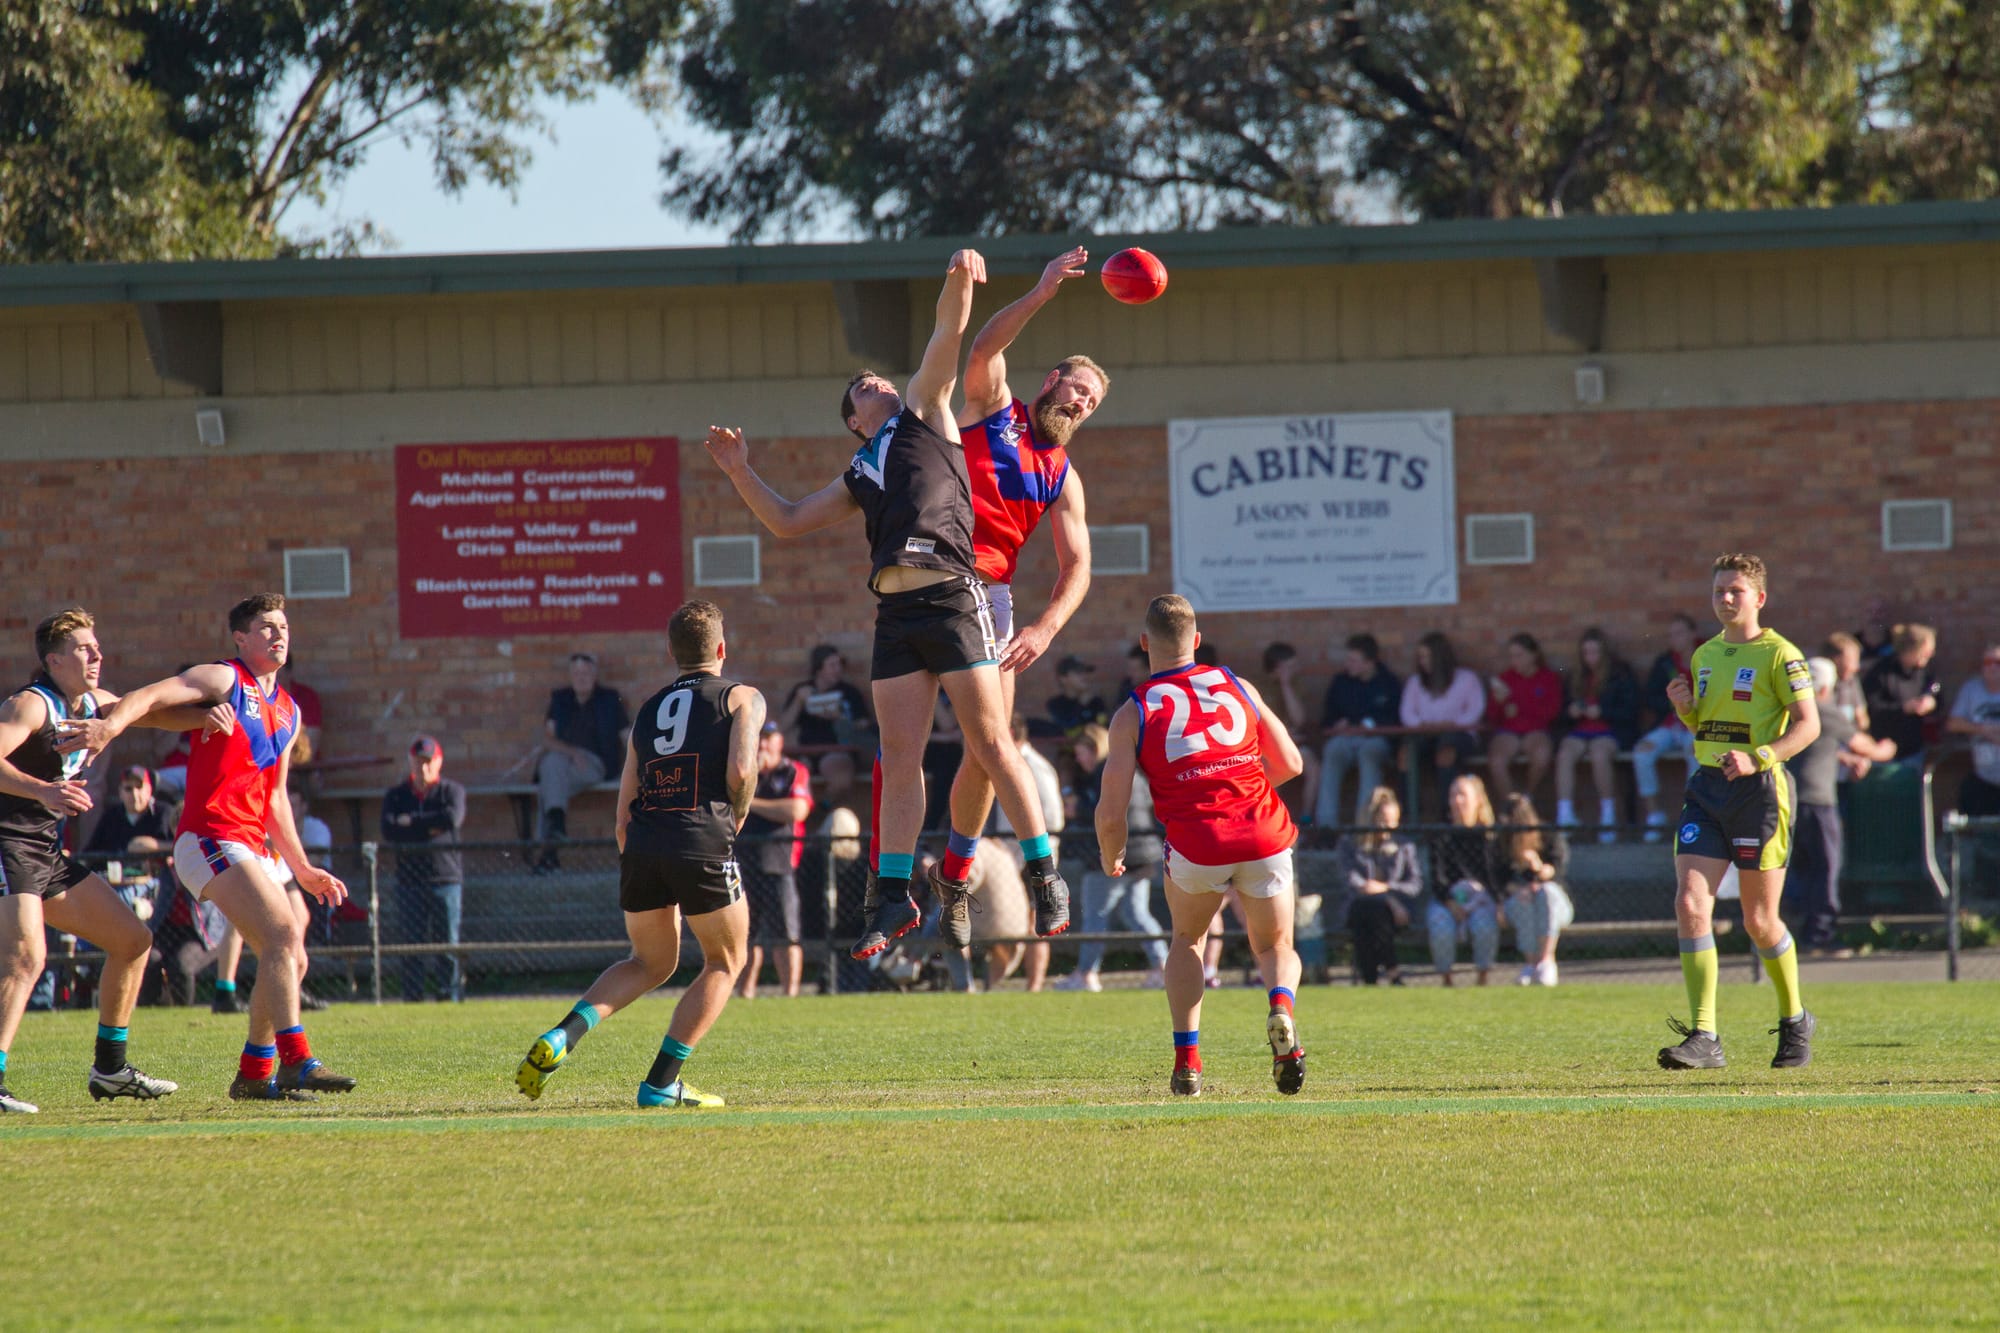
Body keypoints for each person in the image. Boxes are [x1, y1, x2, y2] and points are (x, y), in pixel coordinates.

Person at [704, 247, 1071, 962]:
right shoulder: (860, 466)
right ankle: (895, 894)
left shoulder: (925, 410)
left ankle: (1042, 871)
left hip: (951, 593)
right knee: (899, 756)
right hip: (896, 615)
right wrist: (741, 471)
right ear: (853, 418)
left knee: (991, 743)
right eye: (865, 385)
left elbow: (948, 335)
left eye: (878, 377)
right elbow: (786, 519)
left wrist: (958, 277)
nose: (878, 382)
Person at [62, 593, 354, 1102]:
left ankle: (254, 1074)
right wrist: (109, 727)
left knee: (288, 957)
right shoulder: (225, 679)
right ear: (241, 638)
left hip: (249, 842)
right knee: (283, 934)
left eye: (282, 626)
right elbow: (151, 696)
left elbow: (277, 798)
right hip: (209, 837)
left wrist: (303, 866)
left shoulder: (290, 711)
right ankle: (297, 1059)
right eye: (266, 627)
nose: (278, 634)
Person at [516, 600, 763, 1109]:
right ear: (721, 648)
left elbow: (622, 809)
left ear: (671, 651)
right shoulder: (742, 697)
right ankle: (659, 1084)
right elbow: (741, 770)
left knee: (649, 961)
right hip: (701, 836)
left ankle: (563, 1035)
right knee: (725, 959)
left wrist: (641, 853)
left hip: (645, 841)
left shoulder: (649, 708)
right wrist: (735, 819)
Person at [0, 611, 222, 1112]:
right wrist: (44, 790)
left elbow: (153, 714)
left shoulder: (96, 703)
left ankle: (111, 1070)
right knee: (26, 958)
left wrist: (207, 717)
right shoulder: (31, 706)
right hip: (6, 842)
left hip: (45, 852)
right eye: (83, 649)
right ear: (54, 660)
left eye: (97, 646)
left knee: (133, 941)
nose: (97, 656)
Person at [1095, 594, 1305, 1098]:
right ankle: (1280, 1006)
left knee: (1188, 941)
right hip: (1263, 831)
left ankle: (1188, 1060)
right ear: (1197, 640)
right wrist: (1242, 796)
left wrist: (1111, 853)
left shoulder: (1133, 711)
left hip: (1197, 843)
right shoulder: (1237, 685)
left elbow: (1111, 808)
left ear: (1145, 644)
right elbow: (1292, 763)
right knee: (1275, 946)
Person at [1657, 553, 1821, 1072]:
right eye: (1718, 592)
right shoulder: (1705, 655)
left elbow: (1808, 726)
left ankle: (1795, 1017)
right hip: (1707, 788)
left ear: (1759, 598)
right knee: (1689, 902)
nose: (1725, 599)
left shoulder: (1781, 655)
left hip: (1760, 792)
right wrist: (1686, 710)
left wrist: (1760, 756)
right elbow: (1705, 729)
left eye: (1735, 591)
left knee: (1758, 919)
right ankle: (1705, 1035)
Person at [1787, 658, 1898, 956]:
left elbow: (1816, 747)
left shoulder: (1788, 710)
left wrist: (1844, 759)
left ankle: (1795, 935)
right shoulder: (1824, 709)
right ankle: (1820, 937)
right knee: (1826, 868)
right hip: (1818, 802)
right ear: (1825, 687)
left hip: (1788, 802)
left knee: (1800, 870)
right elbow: (1863, 745)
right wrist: (1886, 750)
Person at [1056, 731, 1168, 993]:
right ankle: (1163, 966)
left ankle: (1086, 974)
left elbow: (1105, 813)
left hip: (1114, 854)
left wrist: (1075, 810)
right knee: (1135, 913)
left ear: (1097, 748)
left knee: (1096, 915)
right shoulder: (1131, 769)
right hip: (1143, 853)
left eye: (1083, 752)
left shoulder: (1104, 773)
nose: (1080, 758)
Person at [381, 734, 467, 1003]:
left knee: (447, 945)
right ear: (410, 763)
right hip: (409, 881)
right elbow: (390, 830)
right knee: (412, 944)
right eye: (418, 762)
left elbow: (452, 819)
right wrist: (429, 825)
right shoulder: (396, 795)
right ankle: (413, 997)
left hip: (445, 879)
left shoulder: (451, 791)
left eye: (429, 762)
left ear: (439, 762)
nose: (424, 768)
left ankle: (448, 995)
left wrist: (412, 822)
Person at [533, 652, 630, 871]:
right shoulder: (560, 699)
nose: (581, 677)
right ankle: (552, 844)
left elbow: (626, 736)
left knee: (549, 777)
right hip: (564, 762)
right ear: (570, 675)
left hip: (594, 765)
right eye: (576, 673)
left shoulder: (609, 699)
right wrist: (572, 753)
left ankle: (549, 853)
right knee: (550, 778)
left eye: (585, 672)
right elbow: (547, 739)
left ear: (594, 674)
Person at [739, 722, 812, 999]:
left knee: (786, 934)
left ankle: (790, 994)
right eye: (758, 739)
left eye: (769, 739)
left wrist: (751, 804)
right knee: (746, 936)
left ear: (780, 741)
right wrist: (752, 778)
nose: (763, 745)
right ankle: (745, 993)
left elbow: (796, 809)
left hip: (779, 862)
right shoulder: (744, 772)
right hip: (743, 862)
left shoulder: (793, 771)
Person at [1554, 627, 1642, 843]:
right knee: (1565, 753)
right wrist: (1572, 712)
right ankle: (1565, 814)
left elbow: (1631, 710)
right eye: (1586, 653)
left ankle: (1608, 814)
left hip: (1611, 730)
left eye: (1595, 652)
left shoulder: (1620, 673)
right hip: (1581, 730)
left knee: (1599, 753)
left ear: (1604, 652)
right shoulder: (1576, 676)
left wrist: (1603, 711)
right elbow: (1561, 712)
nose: (1590, 658)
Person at [1334, 786, 1422, 986]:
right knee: (1367, 908)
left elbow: (1415, 884)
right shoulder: (1350, 844)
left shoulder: (1404, 846)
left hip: (1398, 911)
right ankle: (1392, 971)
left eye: (1394, 822)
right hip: (1360, 905)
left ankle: (1370, 978)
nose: (1389, 828)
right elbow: (1350, 878)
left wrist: (1386, 891)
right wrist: (1373, 891)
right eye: (1384, 821)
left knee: (1375, 910)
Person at [1316, 633, 1402, 828]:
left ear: (1369, 662)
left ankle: (1365, 827)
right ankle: (1326, 827)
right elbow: (1327, 719)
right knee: (1332, 751)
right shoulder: (1340, 682)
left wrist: (1372, 725)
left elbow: (1396, 717)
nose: (1348, 664)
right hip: (1345, 739)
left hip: (1376, 740)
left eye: (1354, 660)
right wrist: (1337, 725)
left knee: (1369, 754)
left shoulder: (1388, 683)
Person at [1426, 774, 1501, 986]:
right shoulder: (1440, 836)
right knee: (1440, 925)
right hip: (1447, 899)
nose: (1457, 801)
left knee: (1484, 925)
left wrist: (1485, 900)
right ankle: (1447, 980)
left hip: (1481, 899)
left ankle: (1482, 978)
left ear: (1478, 799)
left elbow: (1494, 878)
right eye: (1453, 795)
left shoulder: (1489, 837)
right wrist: (1451, 902)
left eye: (1462, 795)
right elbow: (1437, 878)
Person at [1633, 613, 1701, 841]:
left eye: (1680, 633)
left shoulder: (1709, 656)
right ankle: (1654, 817)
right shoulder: (1665, 662)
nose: (1675, 639)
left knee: (1695, 751)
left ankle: (1693, 813)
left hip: (1700, 723)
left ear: (1693, 634)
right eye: (1671, 634)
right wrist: (1673, 703)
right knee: (1642, 752)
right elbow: (1651, 697)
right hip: (1672, 723)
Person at [1495, 793, 1573, 986]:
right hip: (1522, 905)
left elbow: (1555, 871)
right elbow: (1500, 882)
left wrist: (1536, 866)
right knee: (1523, 899)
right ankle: (1531, 963)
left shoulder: (1548, 835)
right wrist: (1517, 889)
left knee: (1545, 892)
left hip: (1555, 906)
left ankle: (1546, 961)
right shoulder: (1501, 844)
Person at [1401, 631, 1486, 808]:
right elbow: (1407, 712)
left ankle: (1447, 817)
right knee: (1405, 754)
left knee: (1446, 752)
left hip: (1459, 735)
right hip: (1424, 733)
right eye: (1420, 657)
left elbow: (1475, 709)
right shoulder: (1415, 682)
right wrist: (1422, 725)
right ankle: (1409, 815)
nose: (1423, 661)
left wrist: (1453, 725)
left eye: (1427, 656)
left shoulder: (1467, 679)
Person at [778, 643, 872, 799]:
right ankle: (800, 812)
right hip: (808, 750)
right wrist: (798, 702)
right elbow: (783, 727)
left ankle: (823, 809)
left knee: (841, 778)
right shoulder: (803, 690)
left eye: (839, 664)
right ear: (819, 668)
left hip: (838, 749)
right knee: (791, 777)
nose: (838, 669)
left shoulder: (849, 692)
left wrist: (840, 717)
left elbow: (864, 725)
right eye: (832, 665)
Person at [1484, 632, 1561, 805]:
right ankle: (1512, 807)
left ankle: (1527, 797)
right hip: (1509, 731)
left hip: (1537, 730)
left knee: (1542, 756)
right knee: (1496, 761)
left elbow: (1552, 712)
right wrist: (1499, 704)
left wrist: (1520, 708)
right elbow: (1492, 716)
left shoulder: (1548, 678)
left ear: (1533, 655)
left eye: (1519, 656)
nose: (1514, 661)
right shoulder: (1505, 679)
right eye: (1511, 656)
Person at [1258, 642, 1322, 822]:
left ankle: (1306, 818)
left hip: (1294, 745)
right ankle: (1268, 819)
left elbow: (1299, 720)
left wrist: (1286, 686)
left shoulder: (1295, 685)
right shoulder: (1259, 687)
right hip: (1265, 747)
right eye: (1291, 666)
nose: (1296, 669)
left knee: (1313, 767)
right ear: (1278, 668)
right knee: (1268, 770)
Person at [1860, 623, 1941, 763]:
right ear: (1912, 649)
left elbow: (1938, 696)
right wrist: (1904, 708)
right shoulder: (1881, 672)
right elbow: (1873, 708)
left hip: (1913, 749)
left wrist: (1931, 703)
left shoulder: (1924, 673)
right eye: (1927, 650)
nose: (1930, 655)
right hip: (1884, 749)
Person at [1946, 643, 2000, 818]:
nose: (1992, 666)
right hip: (1984, 777)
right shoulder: (1972, 689)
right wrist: (1983, 730)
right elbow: (1953, 723)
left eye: (1997, 662)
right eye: (1987, 662)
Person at [1046, 655, 1110, 738]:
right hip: (1066, 750)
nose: (1084, 676)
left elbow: (1105, 728)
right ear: (1063, 678)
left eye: (1086, 671)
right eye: (1078, 672)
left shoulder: (1096, 702)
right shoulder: (1055, 704)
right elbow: (1067, 725)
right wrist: (1082, 704)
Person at [1822, 631, 1872, 734]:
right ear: (1835, 660)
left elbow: (1862, 718)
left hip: (1850, 740)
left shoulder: (1851, 681)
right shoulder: (1821, 685)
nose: (1856, 667)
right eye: (1852, 661)